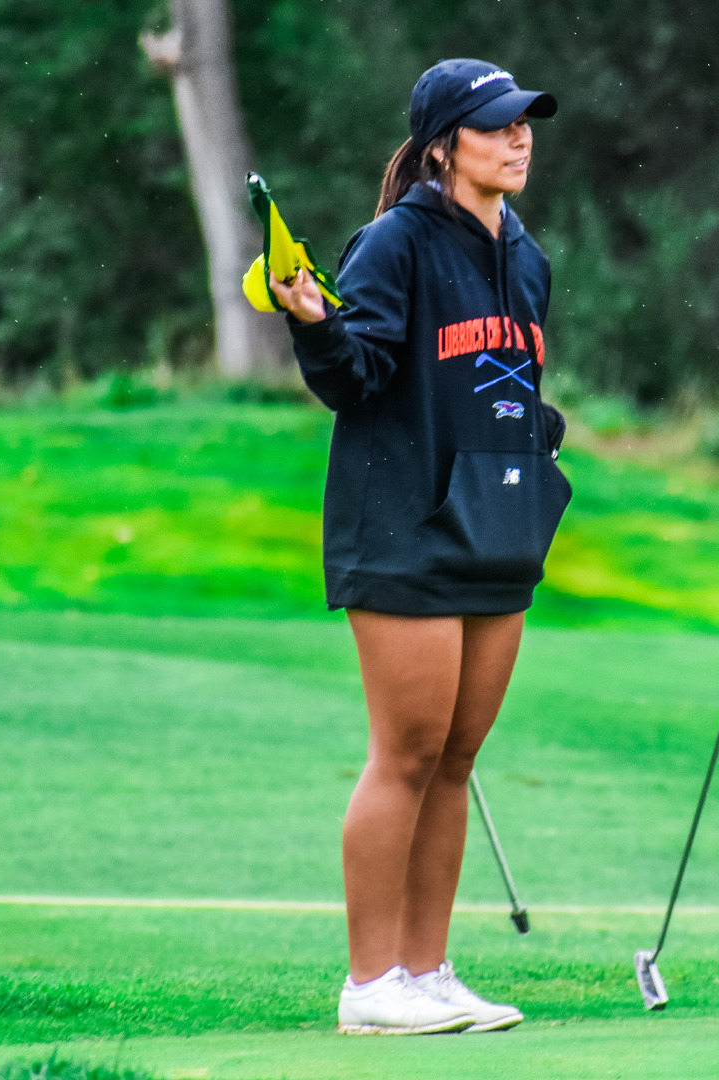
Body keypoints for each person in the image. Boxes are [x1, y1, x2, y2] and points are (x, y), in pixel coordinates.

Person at [266, 57, 569, 1036]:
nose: (519, 138)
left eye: (525, 123)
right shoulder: (392, 244)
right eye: (497, 125)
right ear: (445, 144)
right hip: (399, 526)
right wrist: (313, 320)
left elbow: (513, 377)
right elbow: (357, 378)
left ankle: (427, 971)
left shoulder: (526, 256)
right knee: (405, 753)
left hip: (499, 526)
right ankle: (369, 984)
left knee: (456, 757)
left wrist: (535, 430)